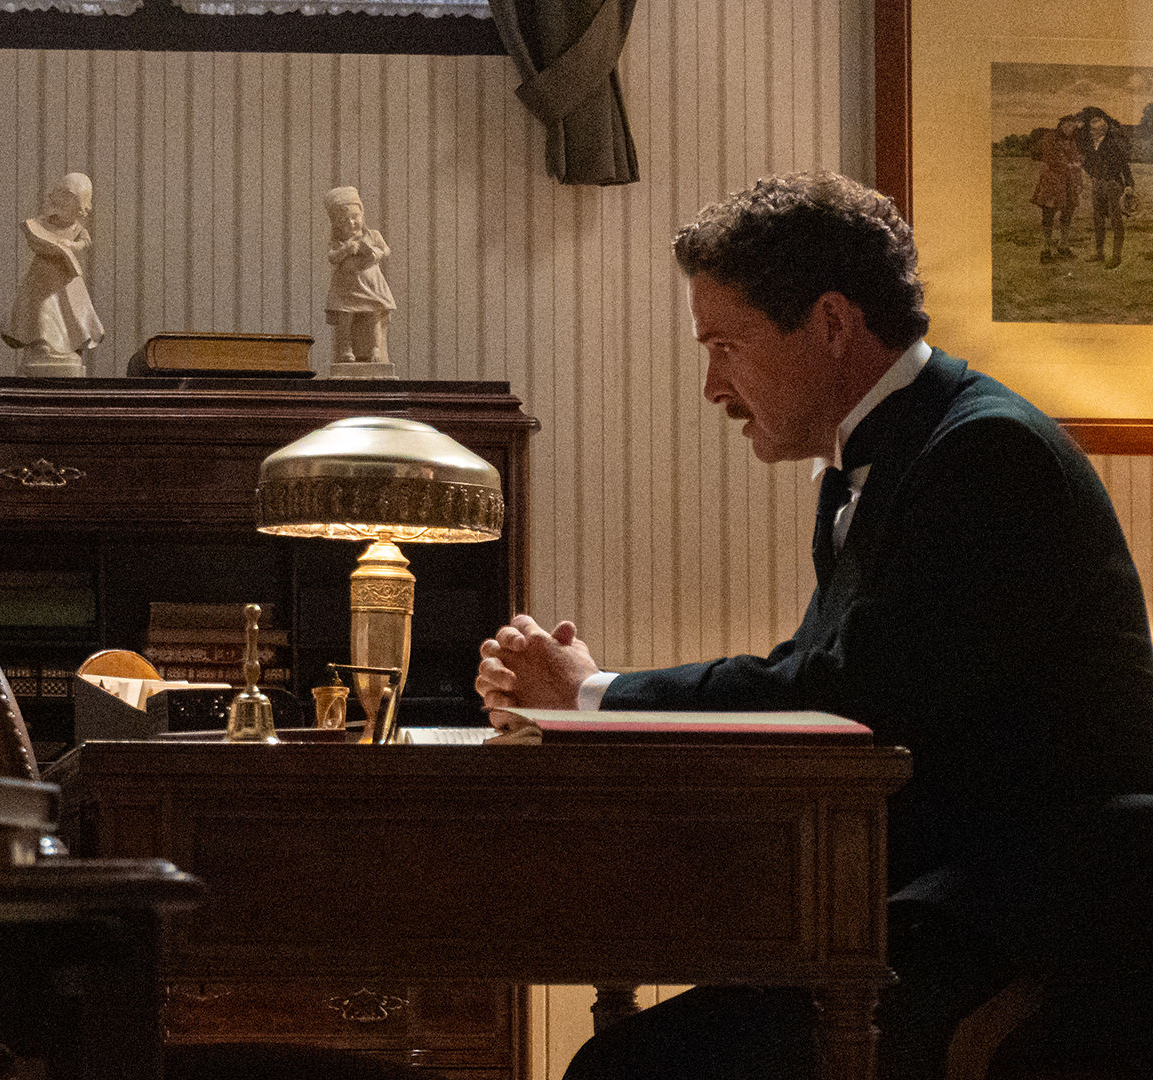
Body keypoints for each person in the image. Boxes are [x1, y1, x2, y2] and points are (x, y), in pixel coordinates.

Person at [475, 173, 1153, 1080]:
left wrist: (595, 695)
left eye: (726, 345)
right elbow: (825, 673)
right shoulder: (892, 453)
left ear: (833, 322)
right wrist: (595, 702)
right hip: (933, 896)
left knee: (621, 1069)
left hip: (1033, 934)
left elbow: (845, 697)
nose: (713, 385)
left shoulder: (986, 452)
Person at [0, 172, 104, 377]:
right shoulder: (44, 222)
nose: (63, 201)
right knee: (42, 307)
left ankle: (67, 345)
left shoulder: (77, 229)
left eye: (69, 197)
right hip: (41, 277)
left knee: (68, 312)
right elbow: (35, 236)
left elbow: (85, 243)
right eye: (61, 194)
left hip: (66, 279)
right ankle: (43, 343)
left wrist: (71, 245)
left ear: (80, 205)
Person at [323, 186, 396, 374]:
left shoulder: (373, 235)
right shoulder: (339, 241)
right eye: (344, 220)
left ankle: (375, 348)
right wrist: (346, 249)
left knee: (374, 315)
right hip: (347, 288)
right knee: (346, 317)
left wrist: (376, 253)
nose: (352, 222)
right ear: (336, 224)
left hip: (371, 285)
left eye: (355, 217)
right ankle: (346, 348)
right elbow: (332, 257)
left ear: (362, 214)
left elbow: (386, 250)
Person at [1080, 108, 1134, 269]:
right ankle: (1099, 253)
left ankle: (1116, 256)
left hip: (1113, 185)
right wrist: (1092, 174)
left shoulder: (1114, 144)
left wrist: (1129, 184)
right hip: (1098, 185)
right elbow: (1088, 164)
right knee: (1098, 219)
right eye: (1091, 130)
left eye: (1094, 130)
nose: (1091, 133)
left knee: (1116, 220)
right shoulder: (1092, 146)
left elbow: (1125, 167)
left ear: (1102, 129)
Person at [1030, 115, 1083, 262]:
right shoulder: (1050, 138)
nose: (1069, 129)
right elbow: (1051, 158)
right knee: (1048, 213)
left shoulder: (1072, 142)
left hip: (1069, 183)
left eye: (1072, 126)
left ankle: (1063, 246)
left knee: (1068, 213)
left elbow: (1077, 160)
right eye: (1067, 125)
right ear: (1061, 125)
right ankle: (1046, 249)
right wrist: (1070, 165)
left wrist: (1079, 182)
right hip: (1052, 181)